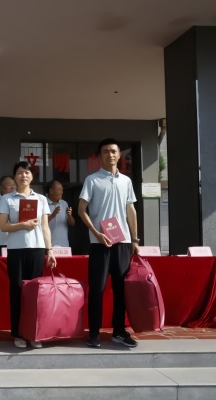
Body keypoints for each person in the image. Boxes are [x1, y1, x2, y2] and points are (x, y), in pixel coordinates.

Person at [78, 138, 139, 348]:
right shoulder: (92, 180)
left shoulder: (126, 181)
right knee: (97, 289)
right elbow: (81, 210)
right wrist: (96, 233)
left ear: (119, 154)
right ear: (100, 156)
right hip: (100, 243)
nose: (110, 155)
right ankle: (94, 333)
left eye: (113, 151)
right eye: (105, 151)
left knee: (121, 289)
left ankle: (119, 331)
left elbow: (131, 210)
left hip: (122, 242)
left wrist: (135, 239)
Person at [0, 161, 56, 348]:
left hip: (37, 249)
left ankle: (33, 333)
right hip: (16, 250)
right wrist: (23, 225)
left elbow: (45, 227)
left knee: (35, 293)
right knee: (17, 290)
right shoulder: (7, 199)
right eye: (20, 173)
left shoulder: (41, 199)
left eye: (27, 172)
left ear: (32, 176)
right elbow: (3, 226)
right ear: (15, 176)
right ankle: (18, 333)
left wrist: (49, 250)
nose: (24, 176)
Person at [46, 180, 75, 247]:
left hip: (64, 245)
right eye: (59, 190)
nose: (62, 192)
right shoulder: (43, 203)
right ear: (51, 191)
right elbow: (40, 223)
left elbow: (72, 223)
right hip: (48, 245)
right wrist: (53, 215)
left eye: (62, 190)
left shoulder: (64, 203)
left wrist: (69, 216)